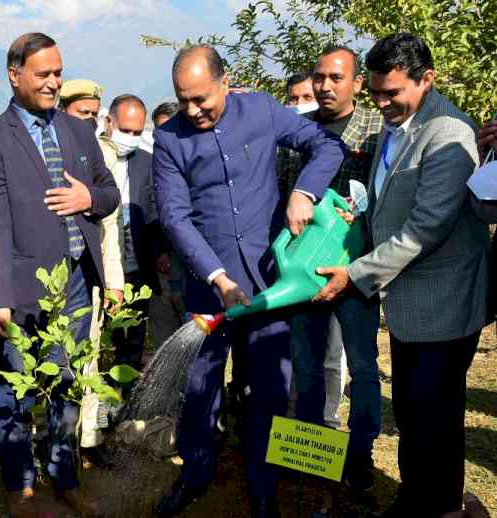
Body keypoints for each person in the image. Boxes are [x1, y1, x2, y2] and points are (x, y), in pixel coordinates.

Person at [152, 44, 344, 518]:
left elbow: (326, 145)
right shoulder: (169, 140)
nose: (193, 110)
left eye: (202, 99)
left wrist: (304, 191)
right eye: (183, 101)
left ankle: (263, 485)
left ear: (225, 82)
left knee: (269, 385)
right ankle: (195, 472)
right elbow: (176, 218)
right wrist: (217, 277)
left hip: (270, 283)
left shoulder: (260, 109)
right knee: (201, 384)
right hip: (209, 286)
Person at [314, 33, 490, 517]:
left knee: (434, 418)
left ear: (426, 80)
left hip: (444, 302)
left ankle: (437, 507)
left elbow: (425, 229)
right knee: (415, 413)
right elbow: (389, 201)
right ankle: (419, 500)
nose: (382, 103)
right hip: (412, 302)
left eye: (393, 93)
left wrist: (353, 273)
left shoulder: (449, 134)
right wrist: (359, 218)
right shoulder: (400, 125)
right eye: (375, 92)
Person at [0, 33, 120, 518]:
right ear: (15, 76)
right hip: (21, 288)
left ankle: (64, 474)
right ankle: (20, 484)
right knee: (16, 388)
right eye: (44, 74)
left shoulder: (78, 132)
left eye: (58, 72)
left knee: (69, 381)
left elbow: (109, 193)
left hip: (76, 282)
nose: (54, 82)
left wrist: (87, 200)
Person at [279, 46, 384, 492]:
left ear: (358, 83)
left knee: (361, 366)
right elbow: (287, 192)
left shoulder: (381, 130)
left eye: (336, 78)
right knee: (304, 364)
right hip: (306, 272)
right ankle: (309, 449)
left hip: (357, 271)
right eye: (319, 77)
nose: (325, 86)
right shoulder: (299, 132)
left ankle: (360, 453)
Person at [59, 77, 124, 468]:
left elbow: (111, 227)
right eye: (81, 114)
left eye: (94, 115)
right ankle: (50, 437)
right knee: (53, 355)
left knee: (90, 355)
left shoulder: (105, 155)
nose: (90, 122)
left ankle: (86, 438)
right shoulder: (47, 149)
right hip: (51, 275)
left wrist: (114, 284)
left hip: (91, 273)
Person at [100, 94, 162, 387]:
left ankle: (123, 391)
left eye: (138, 132)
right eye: (127, 131)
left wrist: (158, 250)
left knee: (133, 330)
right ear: (109, 123)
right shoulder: (91, 156)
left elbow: (153, 212)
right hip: (101, 256)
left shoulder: (147, 162)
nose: (132, 138)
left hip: (136, 255)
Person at [146, 101, 186, 350]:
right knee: (164, 331)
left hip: (192, 264)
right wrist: (159, 251)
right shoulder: (151, 164)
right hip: (163, 263)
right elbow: (150, 211)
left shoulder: (197, 161)